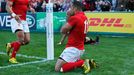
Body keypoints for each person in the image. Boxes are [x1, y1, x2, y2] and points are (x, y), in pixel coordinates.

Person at [55, 1, 97, 74]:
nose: (69, 9)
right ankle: (88, 62)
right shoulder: (84, 17)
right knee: (64, 64)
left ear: (74, 8)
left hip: (73, 48)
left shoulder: (75, 18)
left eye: (70, 8)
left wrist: (68, 17)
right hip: (79, 48)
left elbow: (62, 30)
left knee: (58, 69)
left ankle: (83, 62)